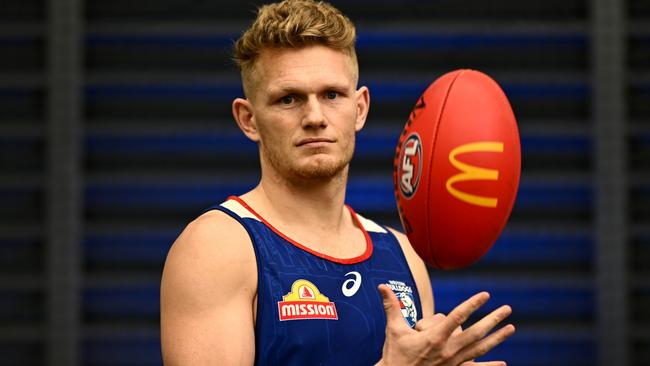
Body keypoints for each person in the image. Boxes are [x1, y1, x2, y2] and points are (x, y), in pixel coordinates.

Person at [160, 0, 515, 365]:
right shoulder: (218, 249)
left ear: (359, 108)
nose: (314, 117)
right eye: (289, 99)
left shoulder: (403, 255)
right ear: (248, 119)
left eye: (332, 95)